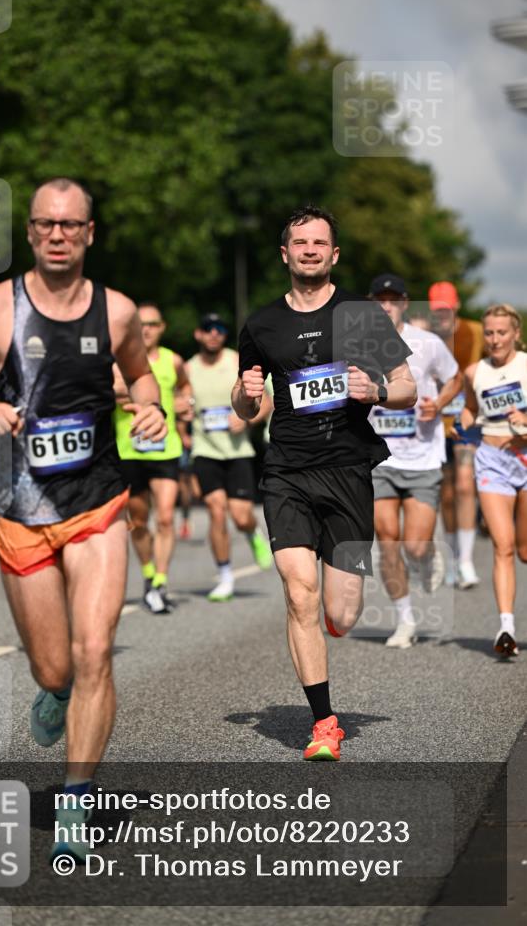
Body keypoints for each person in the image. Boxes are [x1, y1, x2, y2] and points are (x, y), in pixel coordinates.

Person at [0, 177, 166, 862]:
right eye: (45, 225)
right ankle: (53, 690)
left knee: (96, 653)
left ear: (89, 233)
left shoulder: (117, 312)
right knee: (56, 667)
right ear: (31, 234)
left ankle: (76, 796)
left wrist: (147, 405)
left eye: (70, 225)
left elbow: (141, 375)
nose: (58, 235)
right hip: (21, 512)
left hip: (96, 502)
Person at [233, 205, 416, 761]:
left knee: (342, 612)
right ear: (285, 253)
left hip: (348, 472)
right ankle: (324, 722)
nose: (309, 250)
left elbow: (409, 389)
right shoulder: (260, 325)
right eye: (299, 242)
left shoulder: (361, 316)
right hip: (286, 469)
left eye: (319, 243)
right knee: (298, 592)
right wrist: (245, 393)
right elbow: (245, 409)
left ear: (333, 254)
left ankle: (332, 625)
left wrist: (376, 392)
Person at [368, 274, 461, 648]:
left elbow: (455, 379)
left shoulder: (428, 343)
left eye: (393, 300)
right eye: (379, 300)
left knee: (415, 546)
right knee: (388, 540)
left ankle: (429, 553)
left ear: (405, 304)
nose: (386, 305)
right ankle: (405, 620)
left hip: (422, 459)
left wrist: (437, 404)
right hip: (379, 460)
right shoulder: (357, 344)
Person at [113, 302, 192, 614]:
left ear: (161, 328)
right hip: (128, 449)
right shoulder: (118, 360)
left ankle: (160, 580)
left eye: (152, 324)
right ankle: (147, 574)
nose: (146, 329)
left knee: (165, 517)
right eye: (140, 324)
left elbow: (186, 387)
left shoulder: (173, 360)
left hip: (166, 448)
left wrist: (187, 403)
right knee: (138, 522)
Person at [187, 312, 272, 601]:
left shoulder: (238, 361)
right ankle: (225, 577)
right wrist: (182, 426)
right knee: (216, 510)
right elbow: (178, 403)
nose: (214, 333)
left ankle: (252, 533)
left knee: (240, 515)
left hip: (237, 452)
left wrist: (247, 420)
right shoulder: (187, 369)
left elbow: (268, 400)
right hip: (205, 450)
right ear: (198, 334)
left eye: (220, 328)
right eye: (208, 328)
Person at [460, 304, 527, 658]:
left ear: (516, 333)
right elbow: (470, 407)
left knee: (524, 550)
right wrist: (464, 421)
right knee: (502, 546)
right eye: (489, 333)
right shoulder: (475, 371)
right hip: (492, 459)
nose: (495, 339)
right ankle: (506, 627)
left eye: (502, 332)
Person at [429, 281, 484, 588]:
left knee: (465, 485)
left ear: (457, 305)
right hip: (435, 425)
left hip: (469, 422)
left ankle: (466, 561)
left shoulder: (476, 332)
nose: (442, 315)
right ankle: (451, 560)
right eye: (438, 310)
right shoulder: (425, 337)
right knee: (446, 494)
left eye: (447, 309)